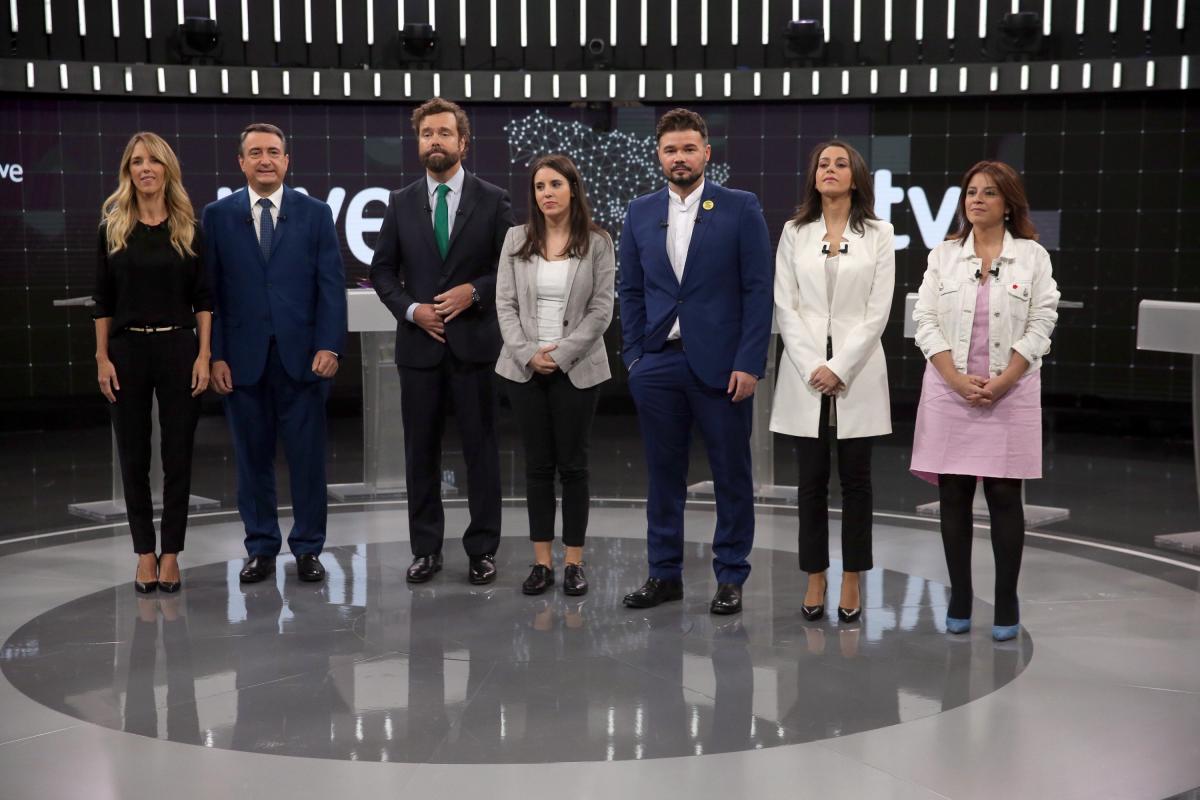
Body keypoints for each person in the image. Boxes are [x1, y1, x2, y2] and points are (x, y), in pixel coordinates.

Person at [617, 108, 773, 615]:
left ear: (706, 153)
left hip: (723, 367)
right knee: (663, 476)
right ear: (658, 155)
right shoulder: (639, 211)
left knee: (731, 474)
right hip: (658, 364)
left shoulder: (740, 206)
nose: (679, 158)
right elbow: (630, 290)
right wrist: (635, 357)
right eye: (670, 150)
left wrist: (749, 362)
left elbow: (758, 290)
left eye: (688, 149)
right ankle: (664, 574)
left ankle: (730, 576)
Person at [911, 160, 1059, 642]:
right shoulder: (944, 255)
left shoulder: (1032, 257)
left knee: (1003, 496)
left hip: (1011, 390)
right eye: (971, 192)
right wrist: (955, 379)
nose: (977, 200)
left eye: (989, 192)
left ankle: (1007, 599)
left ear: (1008, 204)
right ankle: (960, 595)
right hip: (949, 388)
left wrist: (1004, 379)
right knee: (953, 494)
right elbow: (925, 321)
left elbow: (1042, 321)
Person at [370, 98, 516, 585]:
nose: (435, 140)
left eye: (444, 133)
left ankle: (482, 549)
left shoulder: (493, 199)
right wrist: (413, 310)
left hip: (476, 348)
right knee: (420, 454)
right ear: (419, 143)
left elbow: (509, 269)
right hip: (420, 350)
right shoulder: (400, 202)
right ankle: (426, 549)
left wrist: (474, 292)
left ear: (463, 143)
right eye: (427, 133)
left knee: (481, 452)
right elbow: (382, 272)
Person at [202, 123, 347, 584]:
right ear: (240, 162)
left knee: (307, 462)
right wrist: (215, 355)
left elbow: (331, 286)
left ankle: (308, 548)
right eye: (255, 153)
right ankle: (261, 547)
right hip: (240, 361)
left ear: (286, 161)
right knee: (252, 461)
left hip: (302, 360)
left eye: (273, 152)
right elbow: (210, 293)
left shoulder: (316, 213)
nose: (265, 160)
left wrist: (330, 344)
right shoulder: (217, 216)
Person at [769, 141, 895, 623]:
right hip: (806, 375)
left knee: (857, 482)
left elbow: (877, 311)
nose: (830, 169)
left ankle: (852, 576)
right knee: (810, 483)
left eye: (841, 164)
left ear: (855, 176)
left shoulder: (879, 233)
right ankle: (815, 575)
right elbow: (786, 305)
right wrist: (811, 366)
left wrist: (839, 366)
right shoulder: (794, 232)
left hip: (856, 372)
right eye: (823, 163)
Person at [93, 131, 212, 594]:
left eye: (154, 161)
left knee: (178, 455)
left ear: (167, 169)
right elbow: (103, 301)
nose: (146, 168)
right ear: (128, 170)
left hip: (179, 348)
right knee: (133, 456)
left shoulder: (188, 228)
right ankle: (145, 553)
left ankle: (172, 554)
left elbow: (204, 300)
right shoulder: (112, 228)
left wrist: (204, 354)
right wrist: (102, 357)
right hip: (126, 351)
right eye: (137, 161)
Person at [494, 154, 616, 596]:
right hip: (524, 369)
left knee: (574, 467)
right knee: (538, 467)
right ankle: (542, 562)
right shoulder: (516, 239)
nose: (546, 193)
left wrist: (560, 354)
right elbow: (505, 304)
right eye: (540, 186)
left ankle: (574, 562)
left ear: (573, 189)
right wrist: (529, 353)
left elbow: (601, 308)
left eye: (555, 185)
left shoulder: (598, 242)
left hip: (576, 368)